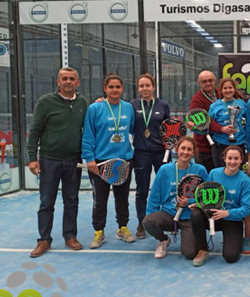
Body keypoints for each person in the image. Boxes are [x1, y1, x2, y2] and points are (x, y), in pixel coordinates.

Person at [27, 67, 88, 257]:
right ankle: (44, 240)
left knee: (72, 201)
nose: (68, 81)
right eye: (64, 79)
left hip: (74, 161)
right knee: (46, 202)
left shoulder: (83, 103)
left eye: (72, 79)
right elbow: (35, 130)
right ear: (58, 82)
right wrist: (31, 158)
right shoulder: (46, 102)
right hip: (49, 160)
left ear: (78, 82)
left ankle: (70, 236)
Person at [82, 73, 136, 249]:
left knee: (122, 198)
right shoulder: (94, 109)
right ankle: (99, 232)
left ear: (122, 89)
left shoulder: (128, 108)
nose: (114, 90)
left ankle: (123, 228)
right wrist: (89, 158)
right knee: (100, 200)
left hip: (123, 162)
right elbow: (88, 135)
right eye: (111, 87)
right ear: (105, 89)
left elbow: (133, 130)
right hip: (100, 163)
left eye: (118, 87)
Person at [143, 137, 208, 260]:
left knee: (189, 253)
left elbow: (207, 196)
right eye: (183, 148)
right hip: (169, 214)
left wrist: (189, 201)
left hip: (189, 217)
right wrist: (150, 217)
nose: (185, 152)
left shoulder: (200, 170)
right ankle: (163, 240)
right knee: (148, 221)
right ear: (177, 149)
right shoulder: (165, 170)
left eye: (189, 149)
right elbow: (155, 195)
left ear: (194, 152)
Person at [191, 145, 250, 266]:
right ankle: (202, 249)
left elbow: (247, 209)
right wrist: (198, 204)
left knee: (231, 257)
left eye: (236, 158)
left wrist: (227, 213)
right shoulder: (214, 173)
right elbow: (206, 194)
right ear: (224, 158)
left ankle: (232, 240)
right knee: (196, 215)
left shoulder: (245, 180)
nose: (232, 162)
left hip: (232, 219)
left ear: (241, 160)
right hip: (213, 216)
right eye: (230, 158)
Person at [130, 73, 171, 239]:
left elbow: (170, 128)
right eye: (141, 86)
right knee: (141, 190)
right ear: (138, 88)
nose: (145, 88)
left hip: (161, 153)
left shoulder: (163, 105)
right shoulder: (132, 105)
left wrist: (171, 142)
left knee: (167, 188)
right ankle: (142, 222)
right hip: (141, 153)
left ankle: (168, 220)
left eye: (148, 85)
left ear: (153, 87)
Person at [188, 70, 224, 173]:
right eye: (204, 81)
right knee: (205, 178)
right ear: (199, 83)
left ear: (215, 80)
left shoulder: (222, 94)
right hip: (204, 148)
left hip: (221, 145)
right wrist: (221, 128)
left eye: (210, 80)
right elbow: (204, 120)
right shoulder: (196, 100)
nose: (208, 83)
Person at [208, 78, 248, 167]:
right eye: (225, 88)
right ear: (221, 90)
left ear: (234, 89)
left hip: (239, 144)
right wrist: (222, 129)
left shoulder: (241, 104)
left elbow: (249, 122)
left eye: (230, 88)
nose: (228, 90)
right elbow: (209, 124)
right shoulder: (214, 106)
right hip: (221, 145)